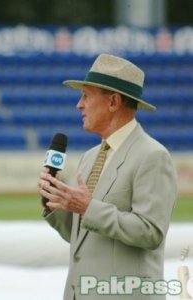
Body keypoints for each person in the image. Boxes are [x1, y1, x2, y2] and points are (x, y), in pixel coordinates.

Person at [38, 53, 177, 300]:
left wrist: (88, 207)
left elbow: (150, 232)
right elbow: (81, 237)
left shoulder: (153, 156)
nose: (79, 105)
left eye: (86, 96)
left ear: (113, 102)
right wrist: (55, 204)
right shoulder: (90, 157)